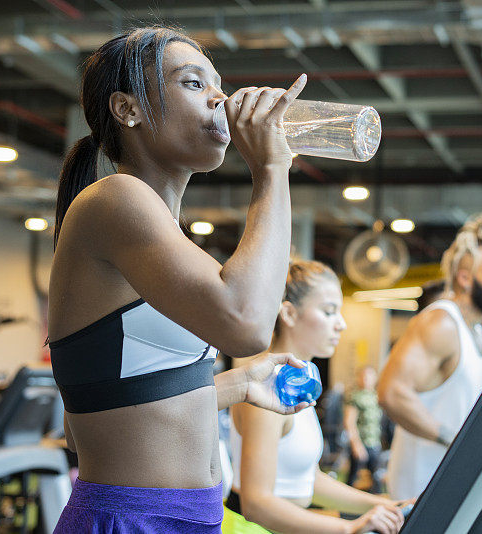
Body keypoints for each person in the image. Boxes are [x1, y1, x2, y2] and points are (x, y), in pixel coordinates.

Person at [47, 26, 312, 532]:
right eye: (193, 83)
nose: (221, 98)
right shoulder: (115, 199)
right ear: (129, 110)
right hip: (134, 519)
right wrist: (272, 172)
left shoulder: (161, 232)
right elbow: (246, 324)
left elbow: (84, 424)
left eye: (219, 83)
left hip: (185, 518)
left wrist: (235, 383)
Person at [225, 261, 404, 534]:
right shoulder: (268, 388)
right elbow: (256, 504)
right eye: (329, 312)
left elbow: (307, 481)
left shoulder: (297, 380)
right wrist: (349, 528)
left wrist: (382, 504)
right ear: (289, 314)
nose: (341, 324)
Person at [377, 211, 482, 500]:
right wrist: (453, 440)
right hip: (422, 491)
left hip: (451, 488)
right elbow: (391, 393)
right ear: (465, 278)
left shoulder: (473, 331)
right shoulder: (441, 322)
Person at [344, 366, 384, 493]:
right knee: (353, 479)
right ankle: (346, 508)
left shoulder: (377, 396)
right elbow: (349, 422)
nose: (366, 379)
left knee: (376, 479)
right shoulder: (355, 397)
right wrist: (356, 444)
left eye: (369, 376)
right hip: (361, 443)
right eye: (364, 376)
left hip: (374, 443)